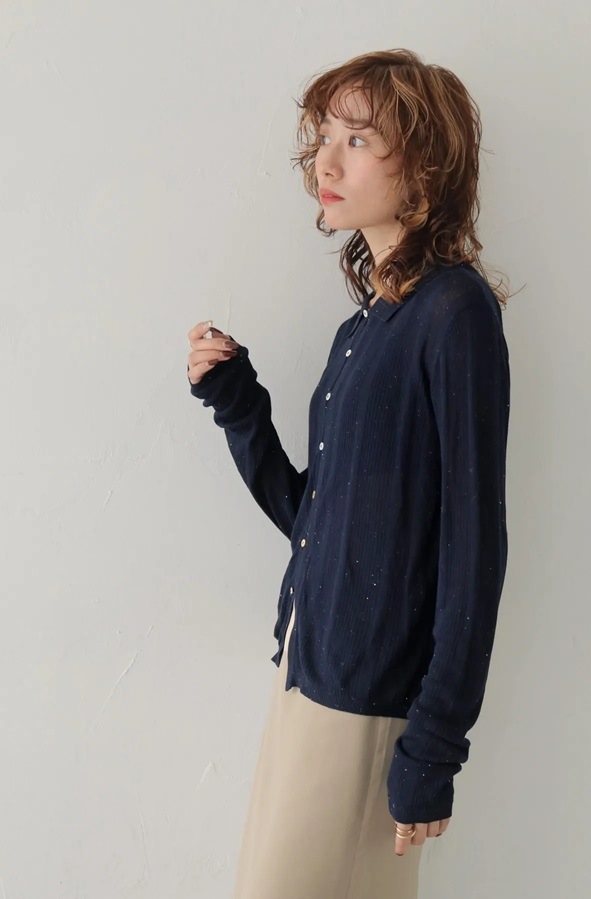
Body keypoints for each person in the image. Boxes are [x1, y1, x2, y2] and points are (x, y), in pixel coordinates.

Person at [186, 48, 511, 899]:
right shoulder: (364, 329)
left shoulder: (456, 313)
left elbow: (475, 547)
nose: (326, 162)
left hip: (369, 701)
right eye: (325, 136)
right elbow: (318, 523)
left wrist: (435, 744)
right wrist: (238, 406)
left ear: (426, 165)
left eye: (358, 140)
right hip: (308, 673)